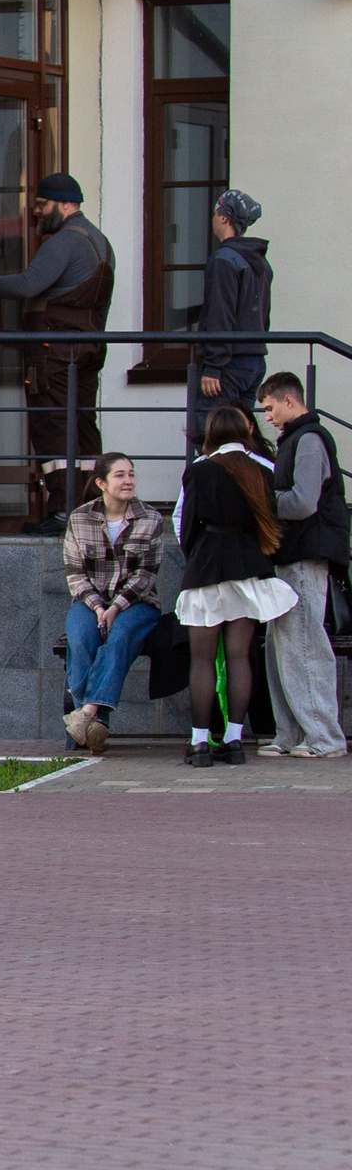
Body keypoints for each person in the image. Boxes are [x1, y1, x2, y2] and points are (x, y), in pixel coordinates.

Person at [0, 173, 115, 533]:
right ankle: (89, 508)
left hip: (55, 352)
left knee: (53, 424)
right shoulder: (100, 242)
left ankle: (63, 512)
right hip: (88, 348)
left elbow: (27, 285)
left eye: (42, 204)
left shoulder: (63, 242)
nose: (36, 211)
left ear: (65, 204)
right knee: (83, 427)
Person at [175, 405, 297, 769]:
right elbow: (270, 523)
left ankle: (199, 744)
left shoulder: (199, 469)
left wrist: (196, 557)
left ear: (212, 432)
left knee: (202, 659)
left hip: (207, 565)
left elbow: (188, 525)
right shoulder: (263, 469)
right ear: (246, 431)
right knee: (240, 656)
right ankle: (234, 742)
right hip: (248, 566)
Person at [255, 373, 348, 757]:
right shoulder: (298, 439)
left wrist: (262, 503)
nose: (268, 417)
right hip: (294, 553)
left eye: (270, 408)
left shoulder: (308, 440)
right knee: (282, 647)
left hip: (306, 553)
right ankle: (290, 735)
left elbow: (304, 502)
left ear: (289, 401)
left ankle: (325, 740)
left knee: (304, 645)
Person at [59, 453, 165, 757]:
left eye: (131, 474)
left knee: (119, 635)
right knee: (81, 638)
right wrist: (97, 607)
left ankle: (86, 712)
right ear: (101, 483)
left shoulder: (151, 519)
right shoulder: (80, 518)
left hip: (137, 603)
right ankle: (97, 726)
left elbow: (146, 575)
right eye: (120, 475)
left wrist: (115, 607)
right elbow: (75, 574)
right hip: (89, 601)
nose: (128, 480)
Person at [190, 189, 272, 450]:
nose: (213, 218)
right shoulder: (259, 262)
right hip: (253, 361)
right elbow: (263, 316)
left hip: (228, 365)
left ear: (224, 218)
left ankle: (219, 478)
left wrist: (213, 366)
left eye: (216, 213)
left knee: (212, 439)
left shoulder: (224, 260)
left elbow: (220, 314)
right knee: (240, 440)